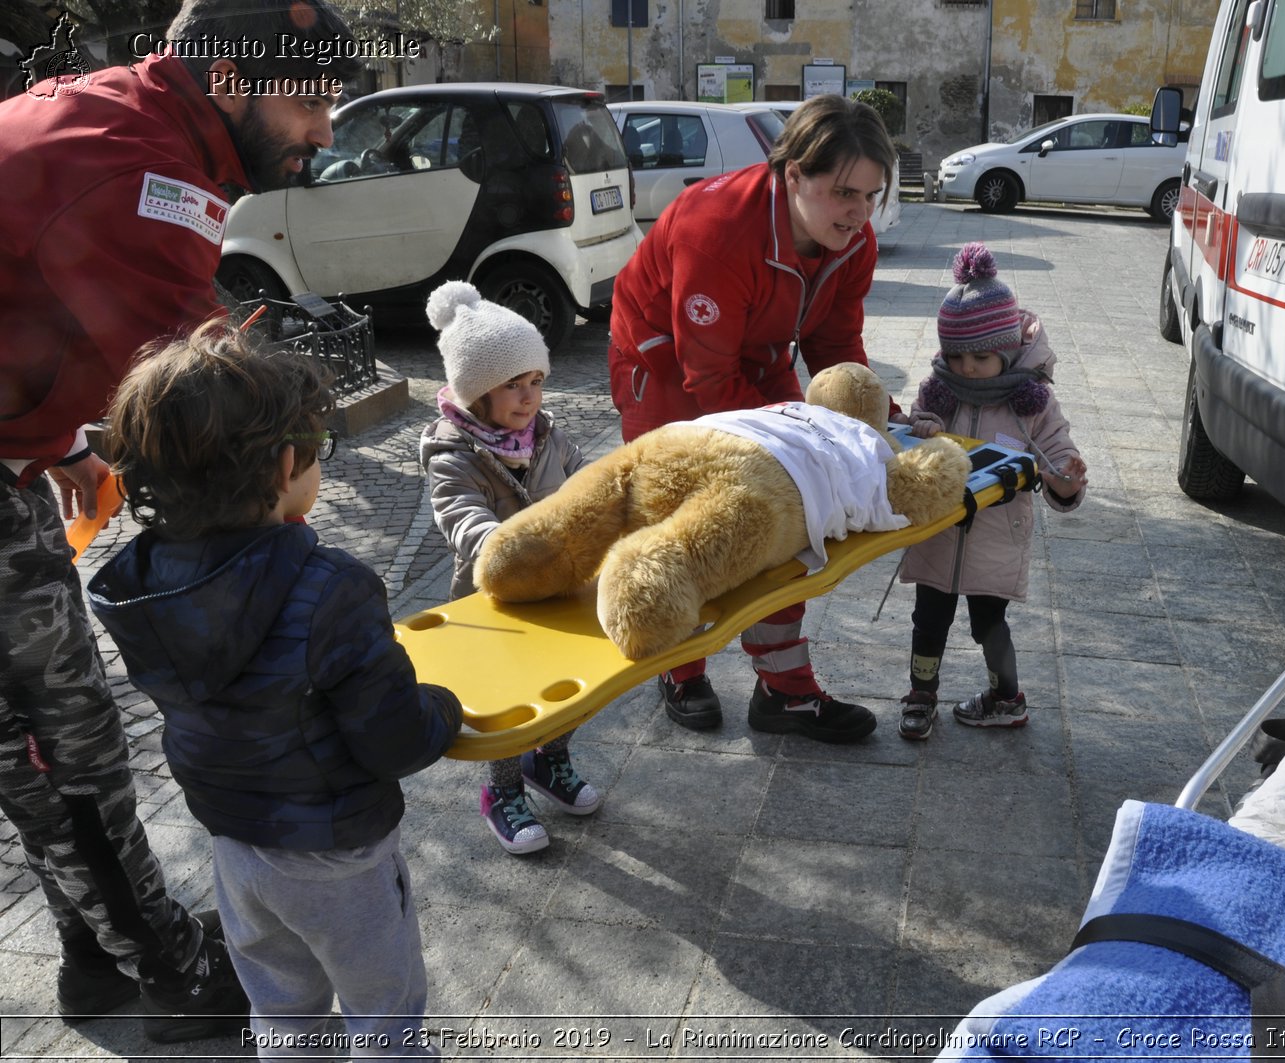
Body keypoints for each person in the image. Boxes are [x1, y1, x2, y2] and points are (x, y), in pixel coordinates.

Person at [0, 0, 360, 1039]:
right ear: (235, 78)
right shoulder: (140, 174)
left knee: (47, 722)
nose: (327, 131)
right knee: (57, 740)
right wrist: (290, 524)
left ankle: (99, 953)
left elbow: (47, 288)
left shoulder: (139, 124)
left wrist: (59, 439)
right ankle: (166, 969)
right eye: (313, 99)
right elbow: (210, 403)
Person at [86, 320, 464, 1056]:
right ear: (287, 462)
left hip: (236, 847)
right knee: (384, 1013)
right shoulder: (334, 589)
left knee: (283, 1011)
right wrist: (444, 710)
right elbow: (393, 736)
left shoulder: (140, 585)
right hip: (338, 857)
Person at [607, 93, 895, 743]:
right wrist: (806, 446)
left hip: (752, 355)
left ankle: (784, 692)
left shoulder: (852, 240)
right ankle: (679, 667)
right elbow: (707, 381)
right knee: (682, 515)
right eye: (844, 192)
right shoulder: (719, 226)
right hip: (663, 359)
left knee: (787, 512)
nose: (858, 212)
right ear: (793, 174)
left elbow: (835, 349)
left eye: (871, 196)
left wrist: (877, 421)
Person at [419, 282, 602, 855]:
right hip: (490, 598)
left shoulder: (547, 437)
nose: (528, 397)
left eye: (536, 381)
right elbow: (464, 522)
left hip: (558, 590)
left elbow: (588, 490)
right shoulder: (453, 457)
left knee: (578, 686)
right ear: (476, 392)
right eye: (512, 385)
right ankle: (501, 790)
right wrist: (519, 551)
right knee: (508, 704)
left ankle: (550, 759)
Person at [896, 243, 1089, 739]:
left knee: (989, 624)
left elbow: (1055, 454)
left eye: (982, 356)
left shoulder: (1032, 403)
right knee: (928, 619)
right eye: (956, 356)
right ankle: (921, 693)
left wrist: (1064, 480)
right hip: (938, 529)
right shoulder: (938, 390)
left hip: (997, 534)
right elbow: (918, 432)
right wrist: (920, 428)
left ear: (1005, 350)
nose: (967, 368)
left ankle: (1007, 696)